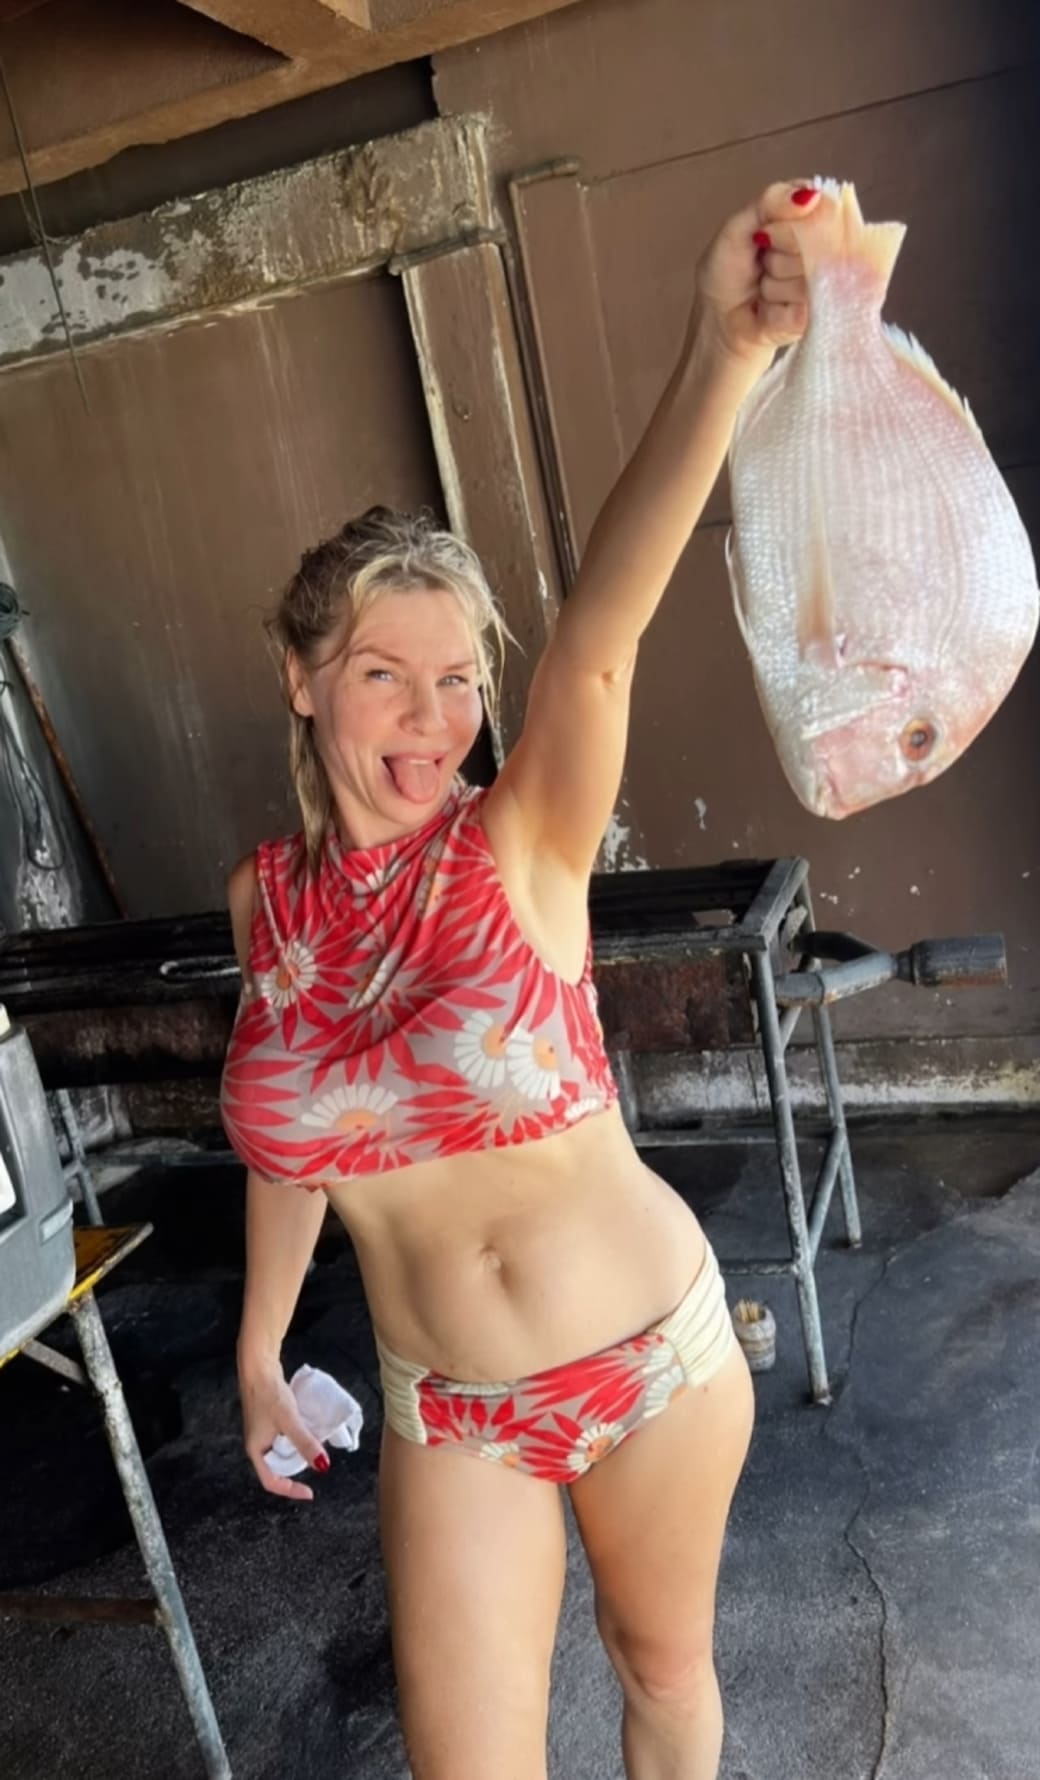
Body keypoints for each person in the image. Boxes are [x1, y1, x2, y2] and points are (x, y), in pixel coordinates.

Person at [221, 179, 817, 1780]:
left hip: (647, 1358)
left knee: (659, 1671)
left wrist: (722, 352)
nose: (432, 724)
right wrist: (261, 1349)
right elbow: (293, 1144)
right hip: (449, 1409)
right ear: (301, 679)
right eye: (383, 676)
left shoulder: (518, 841)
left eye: (456, 681)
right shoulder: (265, 900)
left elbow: (600, 640)